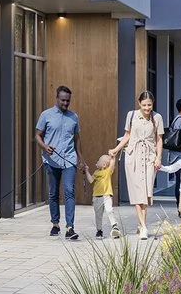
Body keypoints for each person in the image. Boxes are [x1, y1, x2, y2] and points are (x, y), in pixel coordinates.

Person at [34, 85, 80, 240]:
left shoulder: (74, 117)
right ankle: (55, 224)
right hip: (51, 160)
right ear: (57, 98)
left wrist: (81, 160)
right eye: (63, 100)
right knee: (53, 193)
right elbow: (38, 136)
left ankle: (70, 227)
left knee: (69, 191)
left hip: (69, 160)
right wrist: (45, 147)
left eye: (68, 101)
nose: (65, 103)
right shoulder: (46, 115)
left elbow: (77, 140)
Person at [120, 90, 165, 240]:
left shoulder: (157, 117)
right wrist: (115, 150)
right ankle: (143, 225)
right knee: (137, 192)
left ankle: (142, 225)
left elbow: (159, 139)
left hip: (149, 157)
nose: (147, 108)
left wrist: (159, 157)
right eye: (144, 105)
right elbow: (127, 135)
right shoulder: (131, 115)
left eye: (149, 105)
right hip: (133, 156)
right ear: (139, 103)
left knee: (146, 192)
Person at [83, 148, 120, 240]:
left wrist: (113, 156)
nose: (97, 161)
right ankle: (99, 230)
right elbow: (91, 180)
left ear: (103, 164)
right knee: (98, 215)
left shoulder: (107, 172)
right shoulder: (96, 172)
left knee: (109, 210)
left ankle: (114, 226)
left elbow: (112, 165)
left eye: (99, 160)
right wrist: (86, 171)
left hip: (106, 195)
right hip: (96, 197)